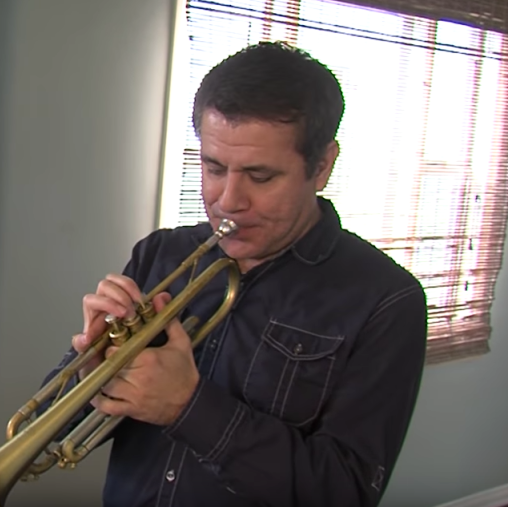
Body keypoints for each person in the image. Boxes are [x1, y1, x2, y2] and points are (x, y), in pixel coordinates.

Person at [41, 42, 428, 506]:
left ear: (322, 166)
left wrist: (189, 408)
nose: (228, 200)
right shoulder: (161, 253)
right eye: (213, 167)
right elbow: (51, 428)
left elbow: (343, 491)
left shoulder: (386, 300)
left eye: (260, 177)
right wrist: (89, 373)